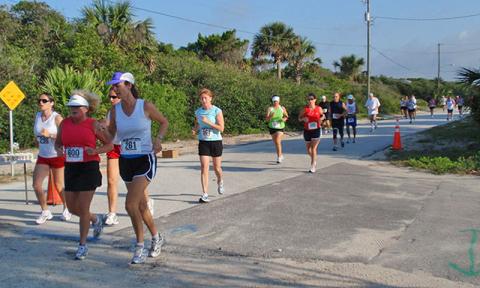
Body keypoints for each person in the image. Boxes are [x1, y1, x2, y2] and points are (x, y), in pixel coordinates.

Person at [106, 72, 168, 264]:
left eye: (118, 85)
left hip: (144, 159)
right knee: (141, 206)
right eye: (114, 86)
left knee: (130, 204)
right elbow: (112, 135)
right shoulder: (115, 111)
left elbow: (164, 122)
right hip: (126, 160)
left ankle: (139, 245)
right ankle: (157, 237)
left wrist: (158, 140)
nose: (115, 89)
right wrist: (101, 129)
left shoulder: (145, 106)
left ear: (129, 85)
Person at [55, 91, 111, 260]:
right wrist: (59, 149)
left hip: (89, 167)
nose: (73, 109)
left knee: (83, 207)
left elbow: (110, 145)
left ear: (86, 109)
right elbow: (58, 142)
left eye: (76, 107)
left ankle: (82, 245)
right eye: (71, 106)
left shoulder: (93, 124)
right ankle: (95, 219)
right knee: (72, 208)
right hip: (71, 167)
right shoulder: (64, 124)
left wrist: (95, 150)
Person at [102, 89, 155, 226]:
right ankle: (112, 213)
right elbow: (109, 133)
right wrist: (102, 128)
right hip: (115, 147)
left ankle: (146, 202)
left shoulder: (136, 109)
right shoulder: (111, 112)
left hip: (133, 149)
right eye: (110, 97)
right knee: (111, 180)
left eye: (114, 97)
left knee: (137, 180)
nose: (111, 100)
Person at [32, 93, 71, 224]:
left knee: (59, 185)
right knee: (36, 185)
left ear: (51, 103)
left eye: (44, 100)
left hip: (56, 155)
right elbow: (37, 135)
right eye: (40, 100)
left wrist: (50, 135)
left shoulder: (57, 118)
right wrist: (39, 142)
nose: (41, 103)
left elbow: (67, 135)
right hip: (43, 156)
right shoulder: (38, 116)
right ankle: (45, 211)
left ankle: (66, 208)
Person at [192, 88, 225, 203]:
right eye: (201, 98)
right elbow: (198, 125)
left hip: (216, 141)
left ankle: (220, 180)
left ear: (210, 98)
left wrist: (208, 122)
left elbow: (221, 128)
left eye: (206, 97)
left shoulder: (217, 111)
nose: (204, 100)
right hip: (203, 141)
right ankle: (205, 193)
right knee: (204, 167)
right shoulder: (198, 112)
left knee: (216, 168)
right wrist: (195, 130)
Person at [298, 93, 323, 173]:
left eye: (311, 99)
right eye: (308, 99)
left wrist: (321, 119)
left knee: (313, 148)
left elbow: (323, 116)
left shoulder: (319, 108)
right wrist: (303, 119)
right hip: (307, 130)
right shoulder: (304, 109)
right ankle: (314, 159)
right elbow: (299, 118)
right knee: (308, 150)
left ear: (315, 100)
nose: (310, 101)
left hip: (316, 130)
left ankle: (312, 165)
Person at [265, 95, 288, 164]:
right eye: (274, 101)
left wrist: (284, 119)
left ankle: (279, 157)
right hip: (272, 127)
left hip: (280, 127)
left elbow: (286, 116)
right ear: (272, 101)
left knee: (278, 141)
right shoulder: (270, 109)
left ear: (279, 101)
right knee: (276, 143)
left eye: (277, 101)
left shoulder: (282, 108)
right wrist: (270, 116)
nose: (275, 103)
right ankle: (280, 155)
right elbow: (266, 119)